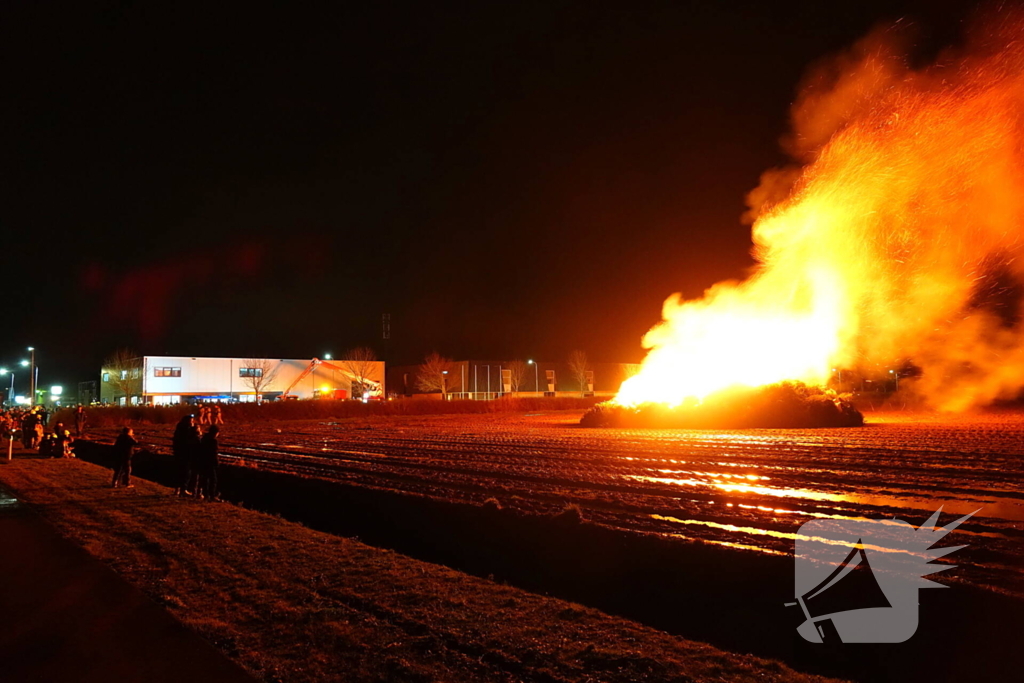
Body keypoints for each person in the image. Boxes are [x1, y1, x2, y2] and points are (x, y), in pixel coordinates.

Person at [172, 414, 201, 496]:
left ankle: (177, 489)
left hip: (179, 454)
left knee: (179, 472)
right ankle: (183, 489)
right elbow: (193, 442)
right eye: (191, 421)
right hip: (186, 454)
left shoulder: (179, 429)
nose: (193, 422)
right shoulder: (187, 431)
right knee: (186, 472)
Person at [198, 424, 220, 501]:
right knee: (213, 479)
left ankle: (205, 494)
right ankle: (212, 495)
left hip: (203, 461)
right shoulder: (213, 441)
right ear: (216, 432)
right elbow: (214, 453)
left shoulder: (204, 438)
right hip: (210, 462)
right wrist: (216, 462)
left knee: (205, 479)